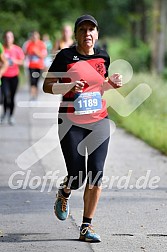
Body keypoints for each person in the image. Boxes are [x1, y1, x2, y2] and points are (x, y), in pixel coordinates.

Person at [43, 15, 122, 242]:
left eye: (92, 30)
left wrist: (111, 84)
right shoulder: (65, 56)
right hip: (70, 122)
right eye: (83, 30)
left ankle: (86, 226)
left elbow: (99, 87)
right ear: (76, 34)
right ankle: (65, 192)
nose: (87, 33)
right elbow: (47, 86)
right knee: (77, 177)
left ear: (97, 34)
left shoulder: (103, 56)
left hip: (99, 121)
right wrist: (68, 84)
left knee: (96, 172)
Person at [1, 31, 24, 125]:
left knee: (12, 97)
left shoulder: (17, 49)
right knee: (6, 96)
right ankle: (4, 113)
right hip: (4, 76)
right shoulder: (2, 49)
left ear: (13, 38)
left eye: (10, 37)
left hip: (14, 76)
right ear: (4, 38)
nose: (8, 39)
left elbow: (22, 62)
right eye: (6, 37)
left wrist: (14, 61)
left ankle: (11, 115)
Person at [25, 31, 47, 100]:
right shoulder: (29, 44)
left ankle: (36, 96)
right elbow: (25, 54)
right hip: (31, 66)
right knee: (32, 81)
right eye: (33, 36)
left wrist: (36, 52)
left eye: (35, 36)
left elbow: (44, 55)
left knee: (36, 81)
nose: (34, 38)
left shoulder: (41, 44)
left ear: (38, 36)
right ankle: (32, 96)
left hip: (39, 66)